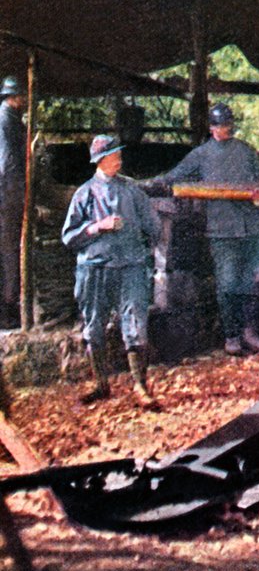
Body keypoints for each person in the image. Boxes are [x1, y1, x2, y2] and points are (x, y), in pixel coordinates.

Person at [152, 103, 259, 356]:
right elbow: (175, 175)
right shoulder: (202, 155)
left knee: (255, 282)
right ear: (212, 128)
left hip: (253, 227)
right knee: (228, 284)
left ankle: (251, 333)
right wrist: (153, 184)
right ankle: (232, 336)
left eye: (228, 125)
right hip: (222, 229)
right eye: (220, 126)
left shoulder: (246, 151)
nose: (225, 130)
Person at [61, 135, 160, 407]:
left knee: (136, 324)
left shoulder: (132, 192)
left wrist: (143, 252)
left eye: (118, 155)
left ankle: (140, 386)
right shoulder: (84, 194)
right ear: (101, 161)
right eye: (114, 156)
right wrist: (97, 227)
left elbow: (153, 227)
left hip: (130, 266)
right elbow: (68, 237)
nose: (119, 159)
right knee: (93, 327)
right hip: (94, 269)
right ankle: (100, 383)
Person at [0, 76, 26, 329]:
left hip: (8, 190)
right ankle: (8, 309)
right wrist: (20, 193)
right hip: (7, 193)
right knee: (9, 251)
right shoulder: (5, 118)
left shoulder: (11, 119)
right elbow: (8, 163)